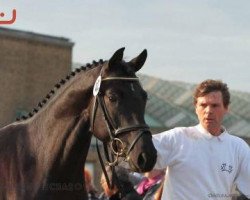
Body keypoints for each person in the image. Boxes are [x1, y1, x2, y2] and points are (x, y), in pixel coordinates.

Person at [151, 79, 250, 200]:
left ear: (226, 108)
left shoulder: (238, 147)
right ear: (196, 108)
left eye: (215, 105)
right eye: (203, 105)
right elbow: (132, 154)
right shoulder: (177, 138)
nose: (208, 111)